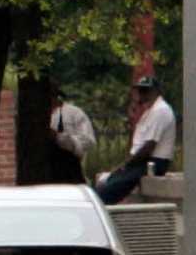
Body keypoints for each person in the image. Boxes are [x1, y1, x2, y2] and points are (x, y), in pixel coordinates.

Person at [94, 75, 176, 205]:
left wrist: (126, 164)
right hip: (143, 160)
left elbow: (148, 146)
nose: (141, 94)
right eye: (140, 90)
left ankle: (98, 207)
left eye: (146, 90)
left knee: (112, 188)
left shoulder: (161, 110)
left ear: (156, 91)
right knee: (108, 180)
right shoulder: (151, 110)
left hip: (154, 162)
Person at [46, 82, 97, 185]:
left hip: (70, 173)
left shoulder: (74, 113)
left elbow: (88, 140)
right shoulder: (32, 119)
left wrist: (59, 138)